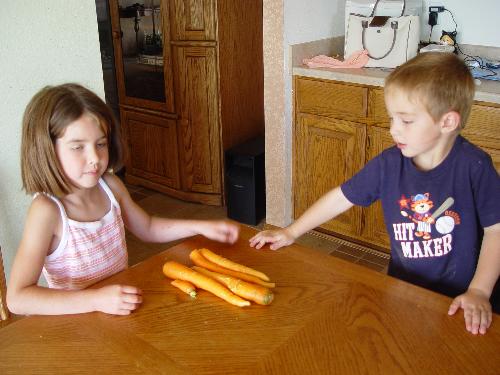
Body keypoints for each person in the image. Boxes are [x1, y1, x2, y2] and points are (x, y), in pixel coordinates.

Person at [250, 52, 500, 335]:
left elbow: (496, 230)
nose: (393, 129)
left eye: (406, 121)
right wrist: (291, 232)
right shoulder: (389, 164)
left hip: (462, 299)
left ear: (447, 123)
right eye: (392, 118)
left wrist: (479, 291)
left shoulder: (474, 167)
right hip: (404, 290)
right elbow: (341, 197)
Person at [7, 83, 239, 316]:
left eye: (100, 144)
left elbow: (147, 227)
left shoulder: (110, 186)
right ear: (46, 150)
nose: (94, 158)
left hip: (121, 310)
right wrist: (95, 300)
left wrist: (201, 226)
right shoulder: (47, 211)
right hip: (77, 324)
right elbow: (18, 298)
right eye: (77, 147)